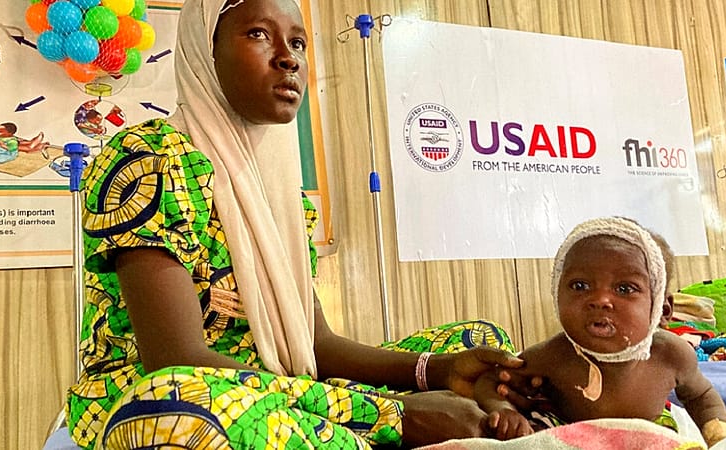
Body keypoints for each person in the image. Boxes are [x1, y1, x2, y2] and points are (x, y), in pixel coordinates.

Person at [64, 0, 538, 449]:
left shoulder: (279, 185)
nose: (288, 59)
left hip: (286, 390)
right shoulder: (148, 158)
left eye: (297, 43)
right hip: (174, 398)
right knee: (181, 407)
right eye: (258, 34)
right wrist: (396, 415)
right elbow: (175, 360)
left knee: (480, 342)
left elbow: (316, 343)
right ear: (205, 51)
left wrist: (439, 371)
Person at [474, 217, 726, 447]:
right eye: (580, 285)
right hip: (569, 436)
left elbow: (701, 396)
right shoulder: (555, 354)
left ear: (662, 310)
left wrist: (720, 436)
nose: (600, 300)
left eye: (624, 288)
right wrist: (505, 411)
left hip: (648, 436)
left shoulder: (672, 354)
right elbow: (491, 381)